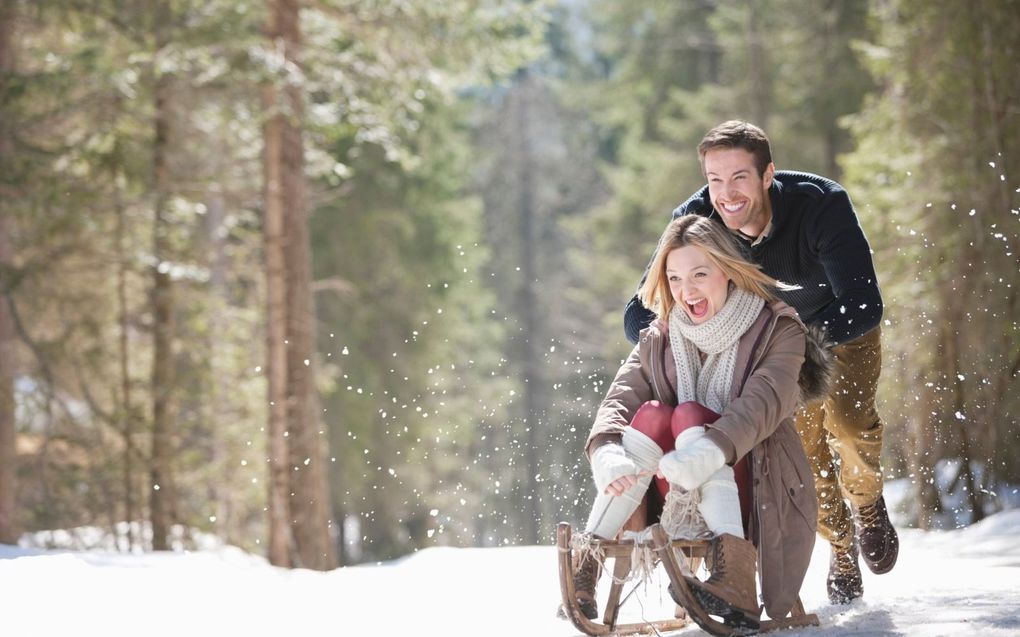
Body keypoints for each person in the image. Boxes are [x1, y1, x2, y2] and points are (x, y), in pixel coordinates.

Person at [624, 120, 898, 605]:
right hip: (773, 347)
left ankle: (868, 504)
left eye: (740, 178)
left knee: (849, 425)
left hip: (839, 331)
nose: (726, 194)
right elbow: (639, 312)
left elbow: (863, 303)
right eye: (714, 179)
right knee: (803, 451)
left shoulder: (819, 207)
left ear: (768, 174)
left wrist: (798, 342)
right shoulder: (696, 219)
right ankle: (839, 548)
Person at [565, 215, 830, 627]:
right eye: (673, 279)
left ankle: (736, 576)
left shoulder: (778, 330)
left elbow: (760, 406)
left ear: (726, 270)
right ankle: (588, 564)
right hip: (676, 492)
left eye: (699, 274)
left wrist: (706, 450)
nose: (686, 291)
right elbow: (621, 396)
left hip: (755, 486)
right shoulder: (662, 335)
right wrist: (607, 452)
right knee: (652, 414)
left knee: (689, 414)